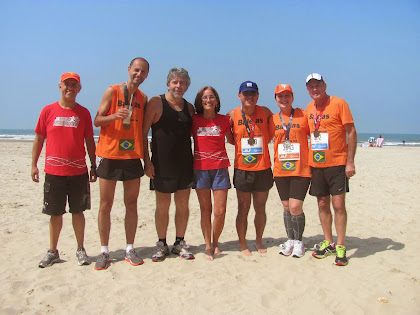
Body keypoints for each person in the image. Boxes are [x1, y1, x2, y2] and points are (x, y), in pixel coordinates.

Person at [32, 72, 97, 268]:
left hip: (78, 172)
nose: (70, 88)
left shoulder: (83, 113)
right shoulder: (48, 111)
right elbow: (39, 139)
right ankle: (52, 251)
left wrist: (94, 165)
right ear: (60, 86)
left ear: (79, 89)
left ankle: (80, 249)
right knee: (55, 213)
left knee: (78, 212)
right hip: (54, 172)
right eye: (67, 84)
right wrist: (33, 164)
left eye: (74, 85)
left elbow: (89, 141)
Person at [93, 57, 149, 270]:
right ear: (129, 70)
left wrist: (147, 159)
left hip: (132, 156)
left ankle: (129, 248)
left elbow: (143, 131)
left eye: (143, 72)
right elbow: (97, 120)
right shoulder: (112, 91)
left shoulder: (142, 98)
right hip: (109, 154)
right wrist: (115, 115)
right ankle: (104, 251)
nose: (139, 74)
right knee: (105, 205)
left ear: (146, 75)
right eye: (136, 70)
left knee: (131, 204)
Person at [143, 67, 196, 262]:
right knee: (162, 206)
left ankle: (179, 242)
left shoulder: (189, 108)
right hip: (161, 165)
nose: (178, 86)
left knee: (183, 205)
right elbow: (143, 133)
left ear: (187, 86)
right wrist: (146, 161)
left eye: (182, 83)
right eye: (175, 82)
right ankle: (161, 243)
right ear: (168, 84)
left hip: (185, 165)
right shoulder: (156, 103)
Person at [305, 73, 357, 266]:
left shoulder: (339, 103)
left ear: (324, 85)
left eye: (318, 85)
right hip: (317, 164)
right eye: (311, 87)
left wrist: (350, 161)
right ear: (307, 90)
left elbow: (351, 132)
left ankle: (341, 245)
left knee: (338, 204)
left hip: (337, 163)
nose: (315, 89)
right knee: (321, 204)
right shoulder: (309, 108)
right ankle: (328, 242)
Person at [227, 81, 273, 256]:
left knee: (260, 207)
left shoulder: (266, 112)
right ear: (239, 96)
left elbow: (276, 130)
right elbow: (230, 139)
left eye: (253, 93)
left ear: (258, 96)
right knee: (243, 208)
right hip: (243, 169)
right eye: (246, 94)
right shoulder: (232, 115)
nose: (249, 97)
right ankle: (242, 243)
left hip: (263, 168)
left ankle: (259, 240)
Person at [268, 84, 311, 258]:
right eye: (280, 96)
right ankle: (290, 240)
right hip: (280, 170)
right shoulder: (272, 119)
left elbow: (316, 134)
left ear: (292, 97)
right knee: (286, 206)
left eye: (287, 95)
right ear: (275, 99)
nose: (284, 99)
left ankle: (299, 242)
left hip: (301, 169)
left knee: (295, 206)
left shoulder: (304, 115)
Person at [192, 86, 234, 260]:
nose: (208, 100)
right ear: (200, 101)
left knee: (220, 211)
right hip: (200, 170)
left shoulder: (224, 120)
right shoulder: (194, 120)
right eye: (205, 98)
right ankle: (208, 245)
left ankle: (216, 242)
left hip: (220, 169)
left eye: (211, 97)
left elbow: (233, 140)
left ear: (216, 100)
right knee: (205, 210)